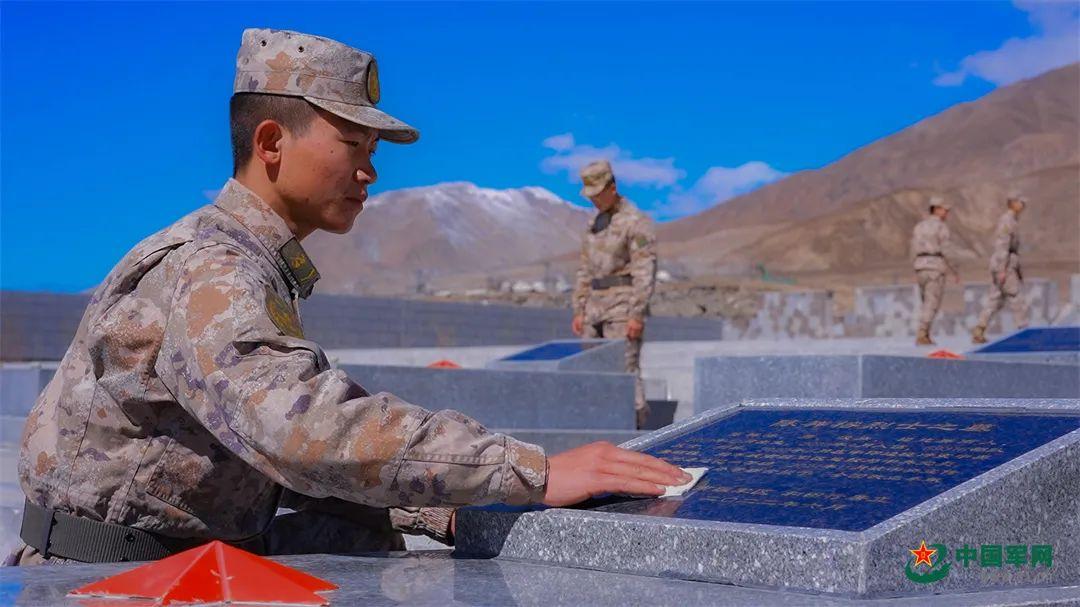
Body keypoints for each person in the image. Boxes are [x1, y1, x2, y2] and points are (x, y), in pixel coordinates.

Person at [8, 28, 688, 566]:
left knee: (367, 538)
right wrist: (529, 472)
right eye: (351, 143)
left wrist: (441, 508)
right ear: (271, 142)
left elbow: (264, 448)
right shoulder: (214, 269)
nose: (369, 169)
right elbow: (304, 430)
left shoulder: (247, 258)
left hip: (172, 553)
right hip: (107, 577)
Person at [571, 160, 658, 429]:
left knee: (625, 371)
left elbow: (645, 270)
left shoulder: (636, 222)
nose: (595, 201)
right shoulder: (593, 224)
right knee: (592, 371)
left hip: (623, 305)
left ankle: (637, 431)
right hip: (594, 307)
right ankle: (601, 430)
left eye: (598, 194)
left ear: (612, 187)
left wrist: (637, 314)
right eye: (591, 196)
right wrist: (579, 307)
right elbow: (585, 268)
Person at [972, 195, 1029, 344]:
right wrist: (1002, 269)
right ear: (1012, 203)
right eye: (1020, 202)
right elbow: (1003, 245)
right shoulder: (1007, 221)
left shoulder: (1012, 220)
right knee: (1016, 298)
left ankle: (979, 329)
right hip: (1005, 265)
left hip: (1005, 264)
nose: (1023, 204)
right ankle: (1023, 332)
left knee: (995, 299)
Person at [910, 196, 959, 345]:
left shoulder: (919, 226)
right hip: (934, 266)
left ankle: (925, 333)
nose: (946, 213)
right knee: (932, 302)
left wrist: (915, 265)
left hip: (920, 266)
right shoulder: (941, 227)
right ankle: (922, 333)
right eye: (944, 209)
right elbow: (946, 249)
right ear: (936, 209)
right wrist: (955, 270)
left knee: (926, 301)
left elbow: (912, 248)